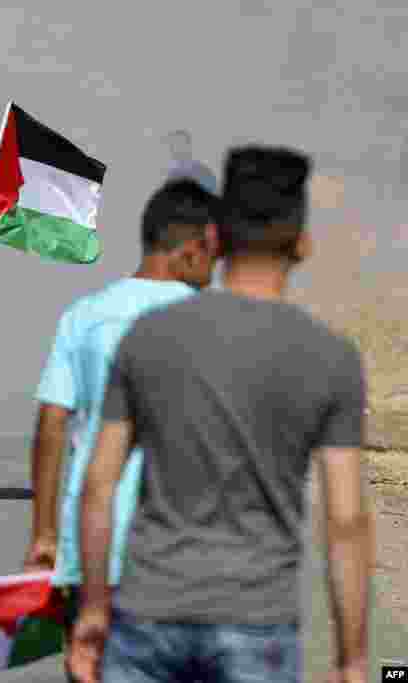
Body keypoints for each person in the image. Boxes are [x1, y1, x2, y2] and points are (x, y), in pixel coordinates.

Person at [71, 146, 374, 683]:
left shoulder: (149, 338)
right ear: (302, 244)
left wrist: (94, 610)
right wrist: (351, 658)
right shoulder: (332, 359)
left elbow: (99, 485)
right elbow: (346, 520)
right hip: (257, 623)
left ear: (215, 238)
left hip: (149, 612)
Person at [23, 178, 221, 681]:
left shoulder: (84, 316)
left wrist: (44, 535)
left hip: (91, 556)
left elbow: (50, 424)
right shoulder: (210, 321)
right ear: (194, 249)